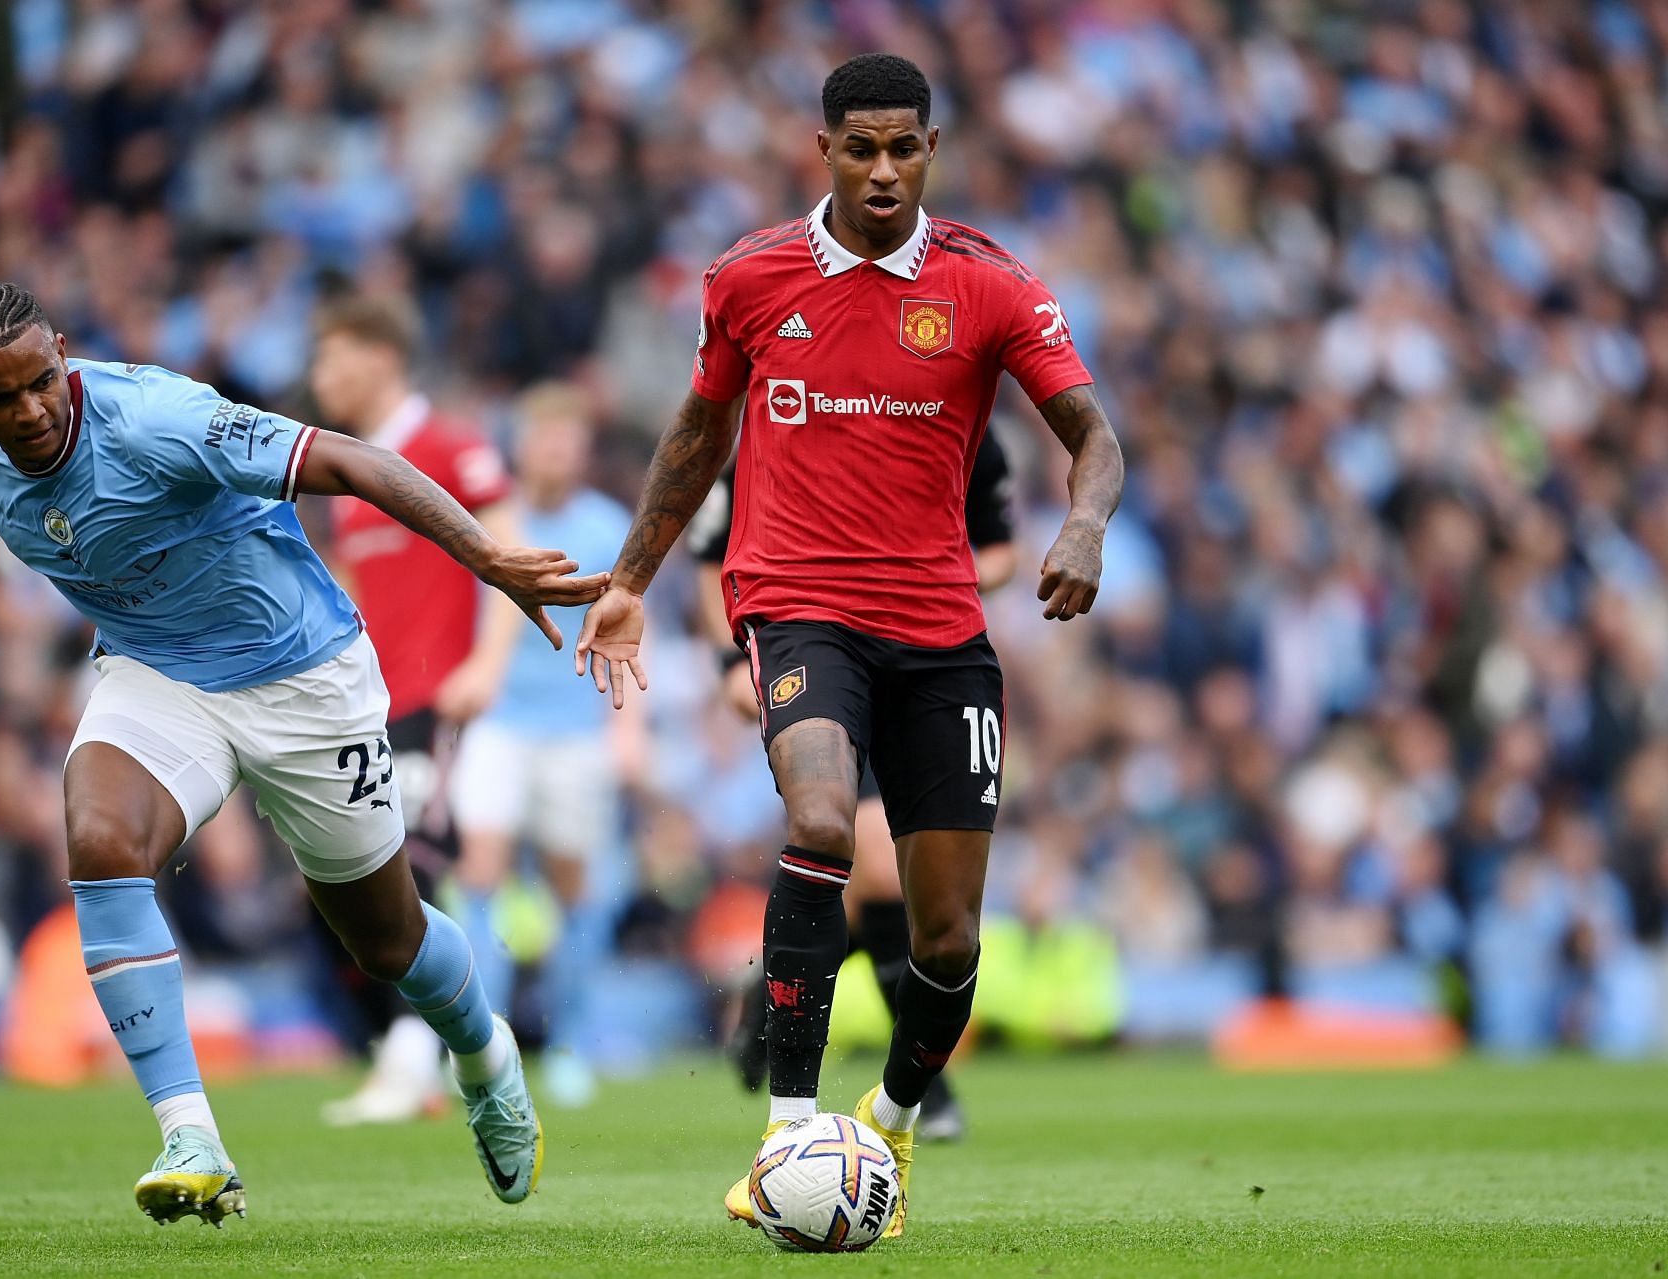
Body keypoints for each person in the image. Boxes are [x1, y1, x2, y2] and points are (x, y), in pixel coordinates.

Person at [0, 281, 604, 1225]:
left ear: (63, 353)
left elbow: (350, 460)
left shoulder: (161, 417)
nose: (27, 411)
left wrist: (491, 560)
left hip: (303, 675)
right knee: (102, 840)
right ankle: (190, 1134)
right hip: (159, 676)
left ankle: (484, 1053)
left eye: (41, 382)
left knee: (386, 938)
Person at [575, 54, 1124, 1237]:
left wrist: (1082, 526)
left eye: (905, 147)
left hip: (941, 634)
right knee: (821, 820)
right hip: (797, 605)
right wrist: (630, 581)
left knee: (948, 936)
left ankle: (891, 1118)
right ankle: (783, 1127)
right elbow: (693, 436)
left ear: (932, 148)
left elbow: (1094, 436)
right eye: (860, 148)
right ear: (822, 150)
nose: (884, 170)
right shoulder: (751, 279)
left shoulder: (991, 286)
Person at [691, 428, 1019, 1142]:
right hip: (818, 651)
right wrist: (728, 656)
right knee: (858, 854)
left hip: (927, 655)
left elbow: (998, 549)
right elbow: (712, 556)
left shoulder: (961, 418)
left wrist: (924, 563)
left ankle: (767, 1000)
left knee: (878, 890)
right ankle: (899, 1096)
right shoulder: (787, 421)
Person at [309, 293, 521, 1127]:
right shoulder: (344, 471)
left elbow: (505, 549)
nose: (319, 376)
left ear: (380, 357)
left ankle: (413, 1056)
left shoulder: (452, 446)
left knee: (415, 865)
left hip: (445, 697)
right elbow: (355, 597)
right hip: (374, 707)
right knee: (341, 881)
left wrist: (489, 659)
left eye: (331, 357)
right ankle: (404, 1048)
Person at [447, 382, 634, 1108]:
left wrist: (627, 725)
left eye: (568, 440)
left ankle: (569, 1043)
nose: (556, 452)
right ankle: (482, 1041)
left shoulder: (608, 525)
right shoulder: (491, 520)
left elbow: (626, 627)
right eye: (545, 438)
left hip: (575, 728)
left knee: (571, 889)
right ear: (521, 444)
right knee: (481, 866)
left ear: (582, 451)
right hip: (498, 721)